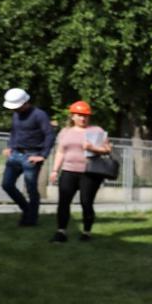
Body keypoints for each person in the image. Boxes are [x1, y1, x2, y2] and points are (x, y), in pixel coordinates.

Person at [50, 100, 112, 243]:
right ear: (72, 116)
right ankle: (61, 232)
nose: (83, 118)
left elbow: (107, 149)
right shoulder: (65, 132)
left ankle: (86, 232)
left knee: (86, 202)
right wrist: (54, 170)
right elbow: (60, 152)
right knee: (64, 202)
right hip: (68, 171)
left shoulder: (97, 131)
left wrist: (92, 148)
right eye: (79, 115)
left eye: (85, 115)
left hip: (89, 173)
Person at [1, 87, 54, 226]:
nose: (14, 110)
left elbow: (49, 134)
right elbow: (14, 132)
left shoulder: (39, 115)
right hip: (15, 154)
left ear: (25, 102)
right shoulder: (15, 115)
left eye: (17, 107)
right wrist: (10, 147)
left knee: (31, 189)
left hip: (33, 156)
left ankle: (31, 220)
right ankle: (27, 210)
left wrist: (43, 155)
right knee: (7, 185)